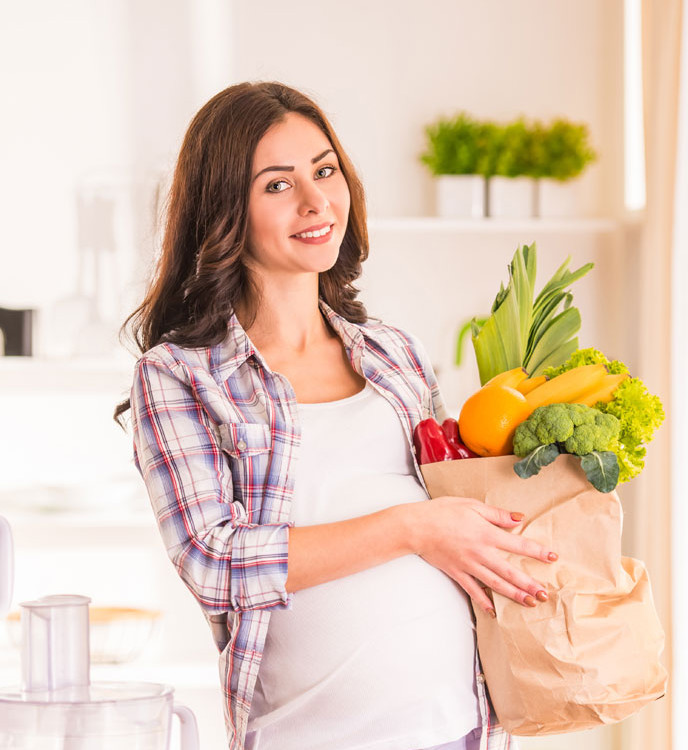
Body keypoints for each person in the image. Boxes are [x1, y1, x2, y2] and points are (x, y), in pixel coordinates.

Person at [116, 81, 556, 750]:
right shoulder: (180, 375)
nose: (317, 200)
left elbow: (455, 506)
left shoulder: (393, 352)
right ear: (224, 209)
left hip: (458, 729)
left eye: (325, 170)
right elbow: (215, 560)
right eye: (277, 185)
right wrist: (411, 529)